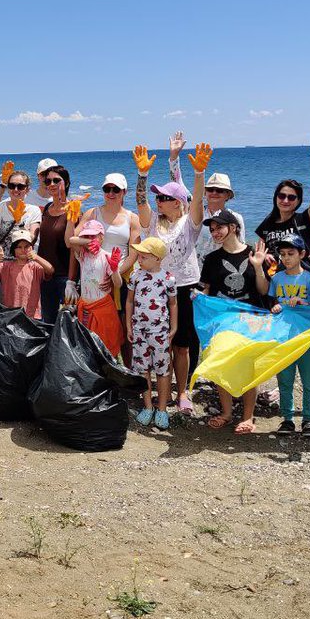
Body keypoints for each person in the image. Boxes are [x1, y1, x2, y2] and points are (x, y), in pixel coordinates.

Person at [131, 136, 208, 412]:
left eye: (164, 197)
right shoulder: (153, 221)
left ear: (177, 202)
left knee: (183, 346)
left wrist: (199, 173)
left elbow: (197, 200)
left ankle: (183, 390)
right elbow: (140, 202)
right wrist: (142, 174)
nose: (158, 200)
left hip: (186, 286)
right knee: (157, 344)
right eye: (158, 196)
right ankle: (151, 394)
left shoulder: (190, 223)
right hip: (156, 289)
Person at [199, 209, 271, 434]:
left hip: (251, 318)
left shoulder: (254, 254)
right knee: (223, 362)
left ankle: (248, 417)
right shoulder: (211, 259)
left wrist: (258, 266)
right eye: (212, 230)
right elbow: (208, 291)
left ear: (233, 227)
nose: (215, 232)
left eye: (219, 227)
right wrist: (199, 300)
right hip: (223, 320)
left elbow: (264, 290)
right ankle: (227, 413)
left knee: (248, 366)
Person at [65, 172, 140, 361]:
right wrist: (87, 243)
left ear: (124, 192)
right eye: (107, 189)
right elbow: (72, 240)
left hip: (119, 275)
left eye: (116, 189)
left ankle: (125, 371)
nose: (111, 193)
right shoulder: (93, 213)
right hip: (93, 273)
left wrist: (114, 271)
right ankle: (98, 367)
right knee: (95, 325)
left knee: (122, 325)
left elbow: (133, 254)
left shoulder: (132, 218)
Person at [267, 236, 310, 437]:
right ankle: (287, 419)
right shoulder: (276, 279)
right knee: (285, 380)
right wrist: (275, 307)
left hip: (306, 337)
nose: (286, 258)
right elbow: (272, 304)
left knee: (308, 380)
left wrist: (302, 302)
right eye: (282, 254)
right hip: (283, 338)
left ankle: (308, 420)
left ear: (302, 254)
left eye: (291, 254)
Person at [125, 237, 177, 428]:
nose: (139, 260)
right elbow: (129, 301)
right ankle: (147, 406)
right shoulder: (135, 276)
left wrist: (174, 326)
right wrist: (129, 326)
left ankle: (162, 409)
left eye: (144, 257)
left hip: (160, 331)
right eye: (139, 256)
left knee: (163, 370)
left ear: (157, 258)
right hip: (139, 331)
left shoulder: (168, 278)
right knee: (142, 369)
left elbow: (173, 303)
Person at [254, 134, 310, 265]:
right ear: (276, 197)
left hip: (301, 279)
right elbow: (259, 250)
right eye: (281, 196)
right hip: (274, 279)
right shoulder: (268, 222)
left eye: (291, 197)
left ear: (298, 201)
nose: (285, 200)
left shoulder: (304, 219)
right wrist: (263, 255)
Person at [0, 168, 42, 303]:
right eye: (12, 185)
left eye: (20, 186)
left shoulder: (33, 210)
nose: (16, 189)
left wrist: (19, 224)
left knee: (21, 307)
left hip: (22, 265)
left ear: (27, 189)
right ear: (8, 188)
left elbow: (32, 238)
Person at [72, 219, 124, 356]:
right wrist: (87, 242)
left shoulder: (106, 256)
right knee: (86, 346)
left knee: (104, 347)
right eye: (86, 236)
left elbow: (118, 284)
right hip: (85, 309)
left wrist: (114, 268)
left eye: (93, 236)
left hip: (102, 308)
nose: (89, 240)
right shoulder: (83, 254)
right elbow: (71, 240)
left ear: (102, 237)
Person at [36, 163, 78, 323]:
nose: (52, 184)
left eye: (56, 180)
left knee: (71, 323)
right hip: (45, 276)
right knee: (47, 322)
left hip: (65, 277)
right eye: (48, 181)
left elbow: (74, 248)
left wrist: (72, 280)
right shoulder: (46, 209)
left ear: (66, 182)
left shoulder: (74, 209)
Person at [0, 228, 53, 319]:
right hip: (10, 313)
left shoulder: (35, 267)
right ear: (13, 250)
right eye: (19, 247)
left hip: (31, 314)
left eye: (26, 246)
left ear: (31, 248)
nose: (23, 250)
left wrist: (37, 257)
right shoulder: (6, 266)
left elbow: (50, 270)